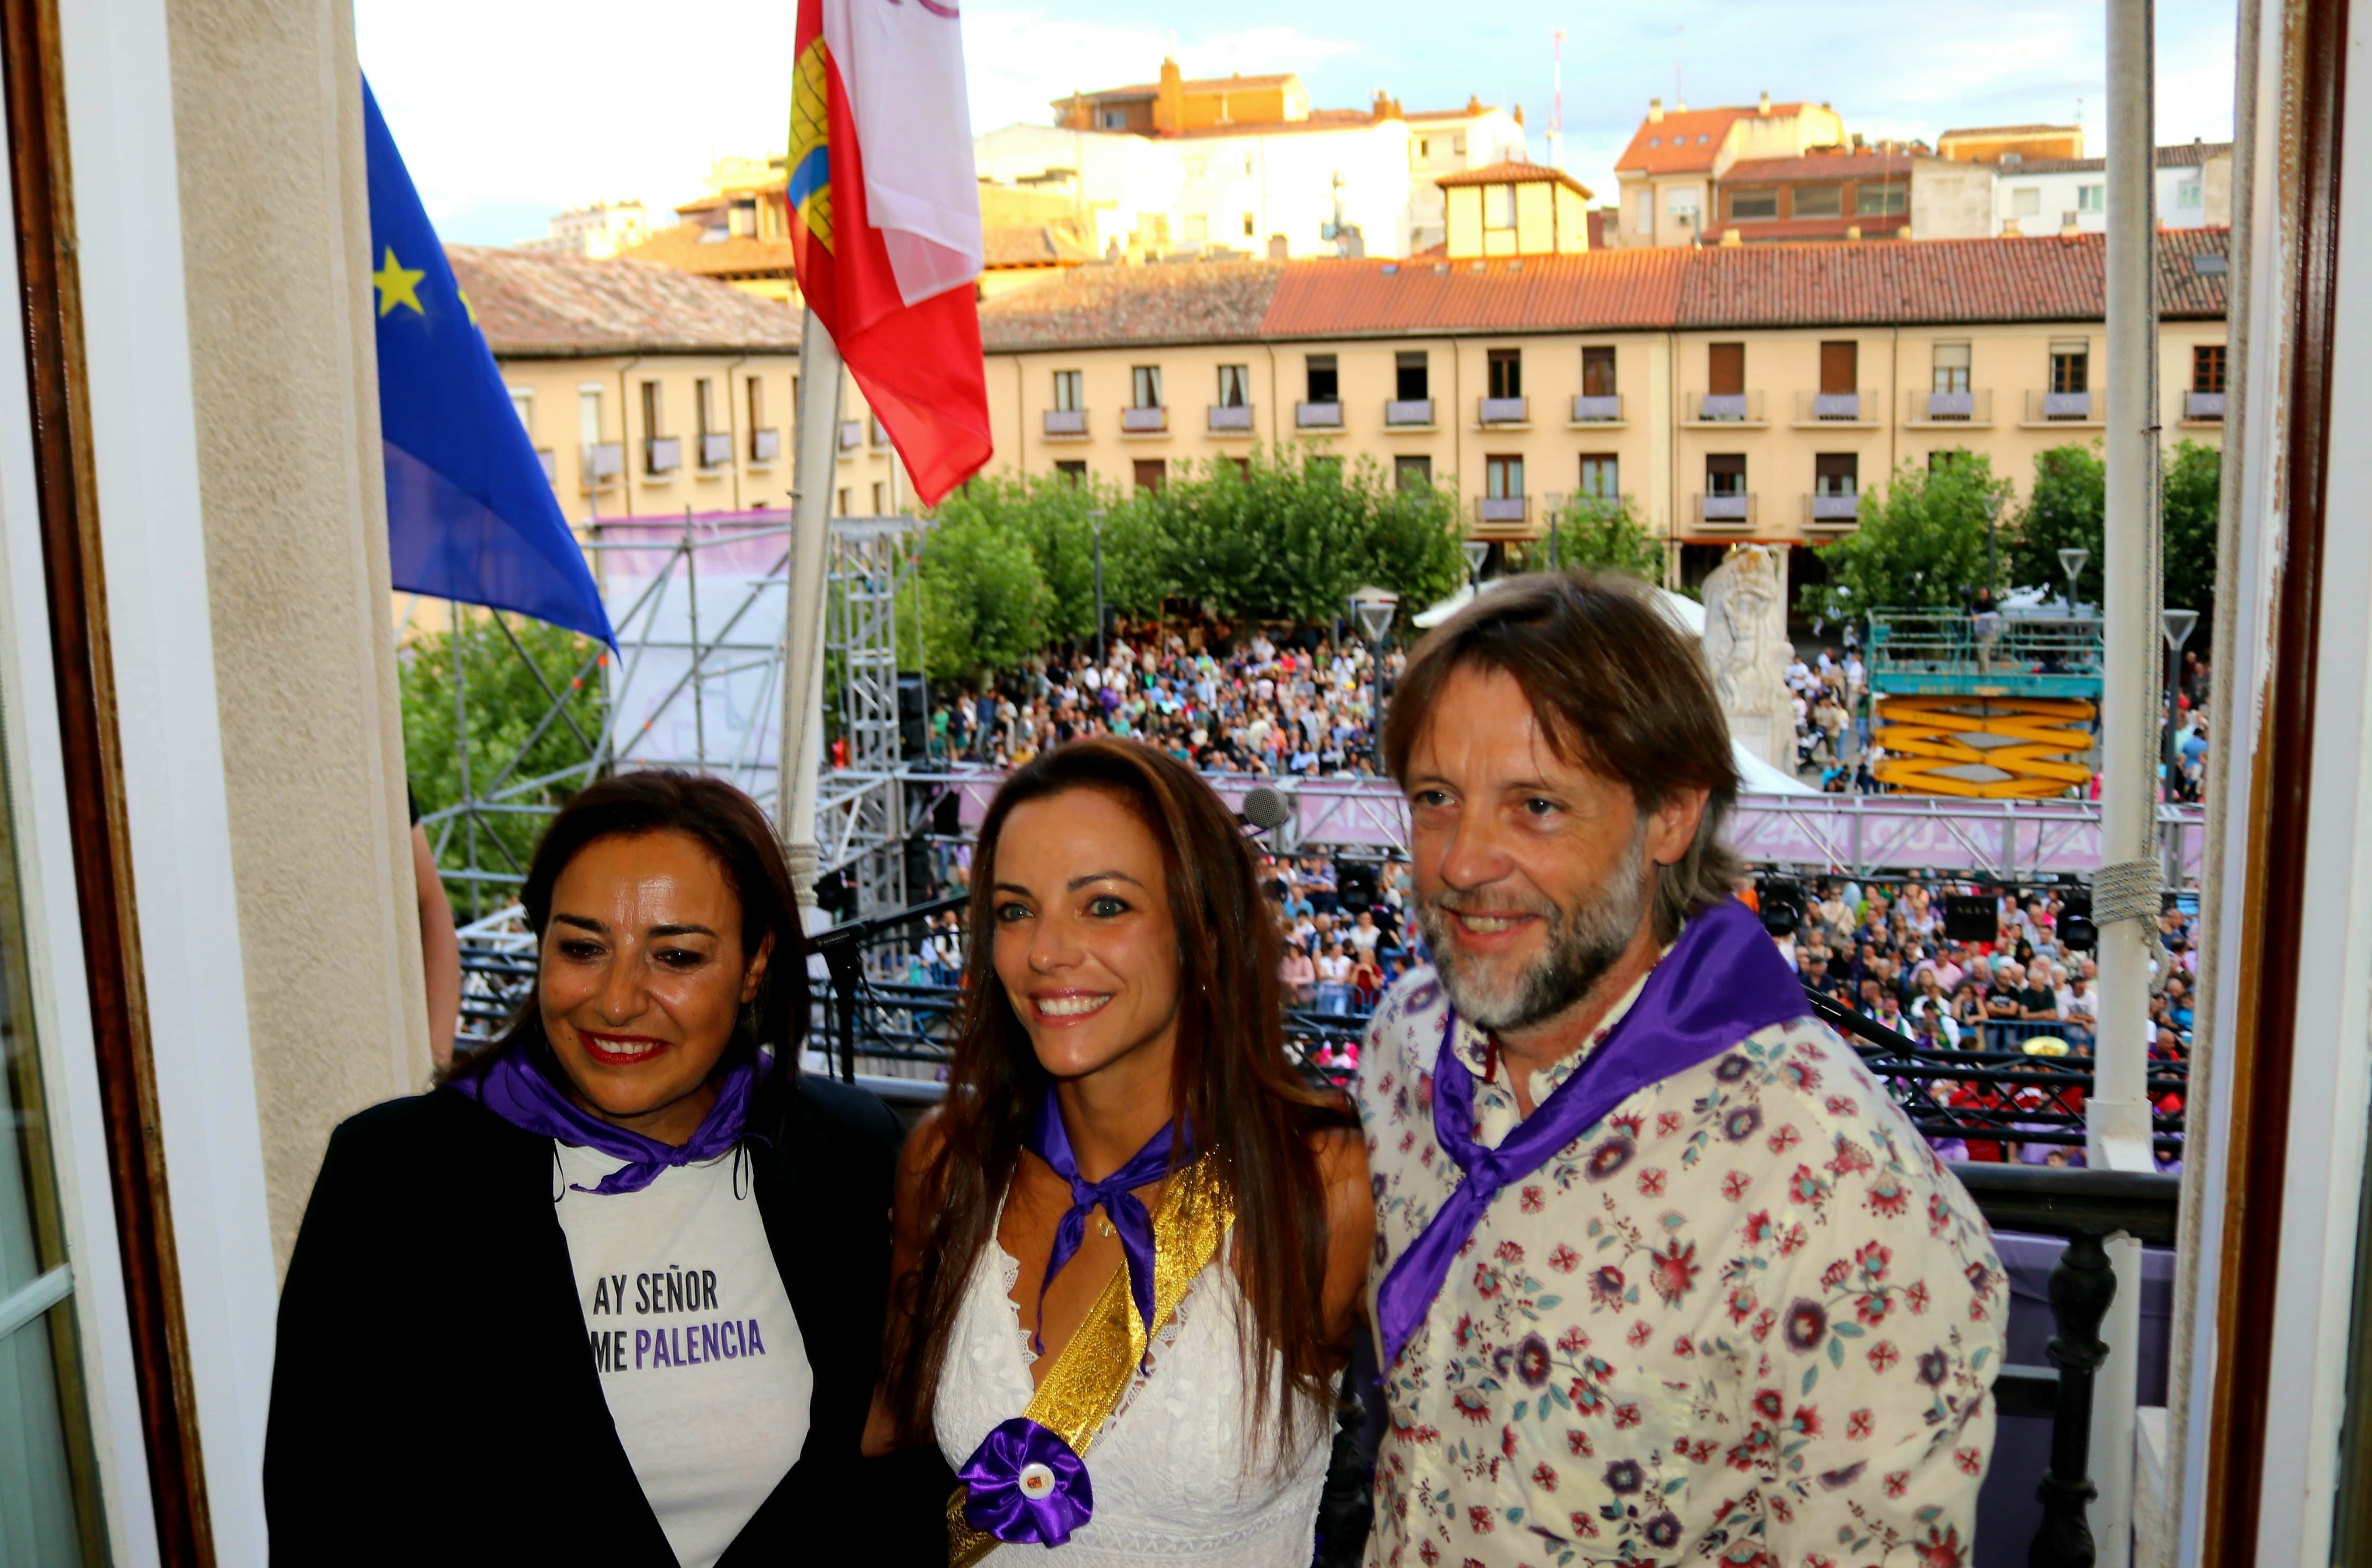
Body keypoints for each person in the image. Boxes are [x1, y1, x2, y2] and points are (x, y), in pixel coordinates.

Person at [1354, 573, 2003, 1564]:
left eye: (1536, 805)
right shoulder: (1401, 1046)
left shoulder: (1838, 1184)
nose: (1463, 861)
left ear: (1672, 815)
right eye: (1437, 799)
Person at [266, 772, 942, 1564]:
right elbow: (324, 1517)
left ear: (757, 963)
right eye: (583, 947)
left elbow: (891, 1476)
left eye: (678, 956)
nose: (618, 1002)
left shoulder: (855, 1153)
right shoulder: (390, 1179)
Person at [868, 738, 1373, 1564]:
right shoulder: (949, 1165)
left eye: (1103, 905)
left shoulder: (1328, 1184)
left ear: (1204, 931)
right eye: (1014, 910)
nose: (1044, 952)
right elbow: (887, 1433)